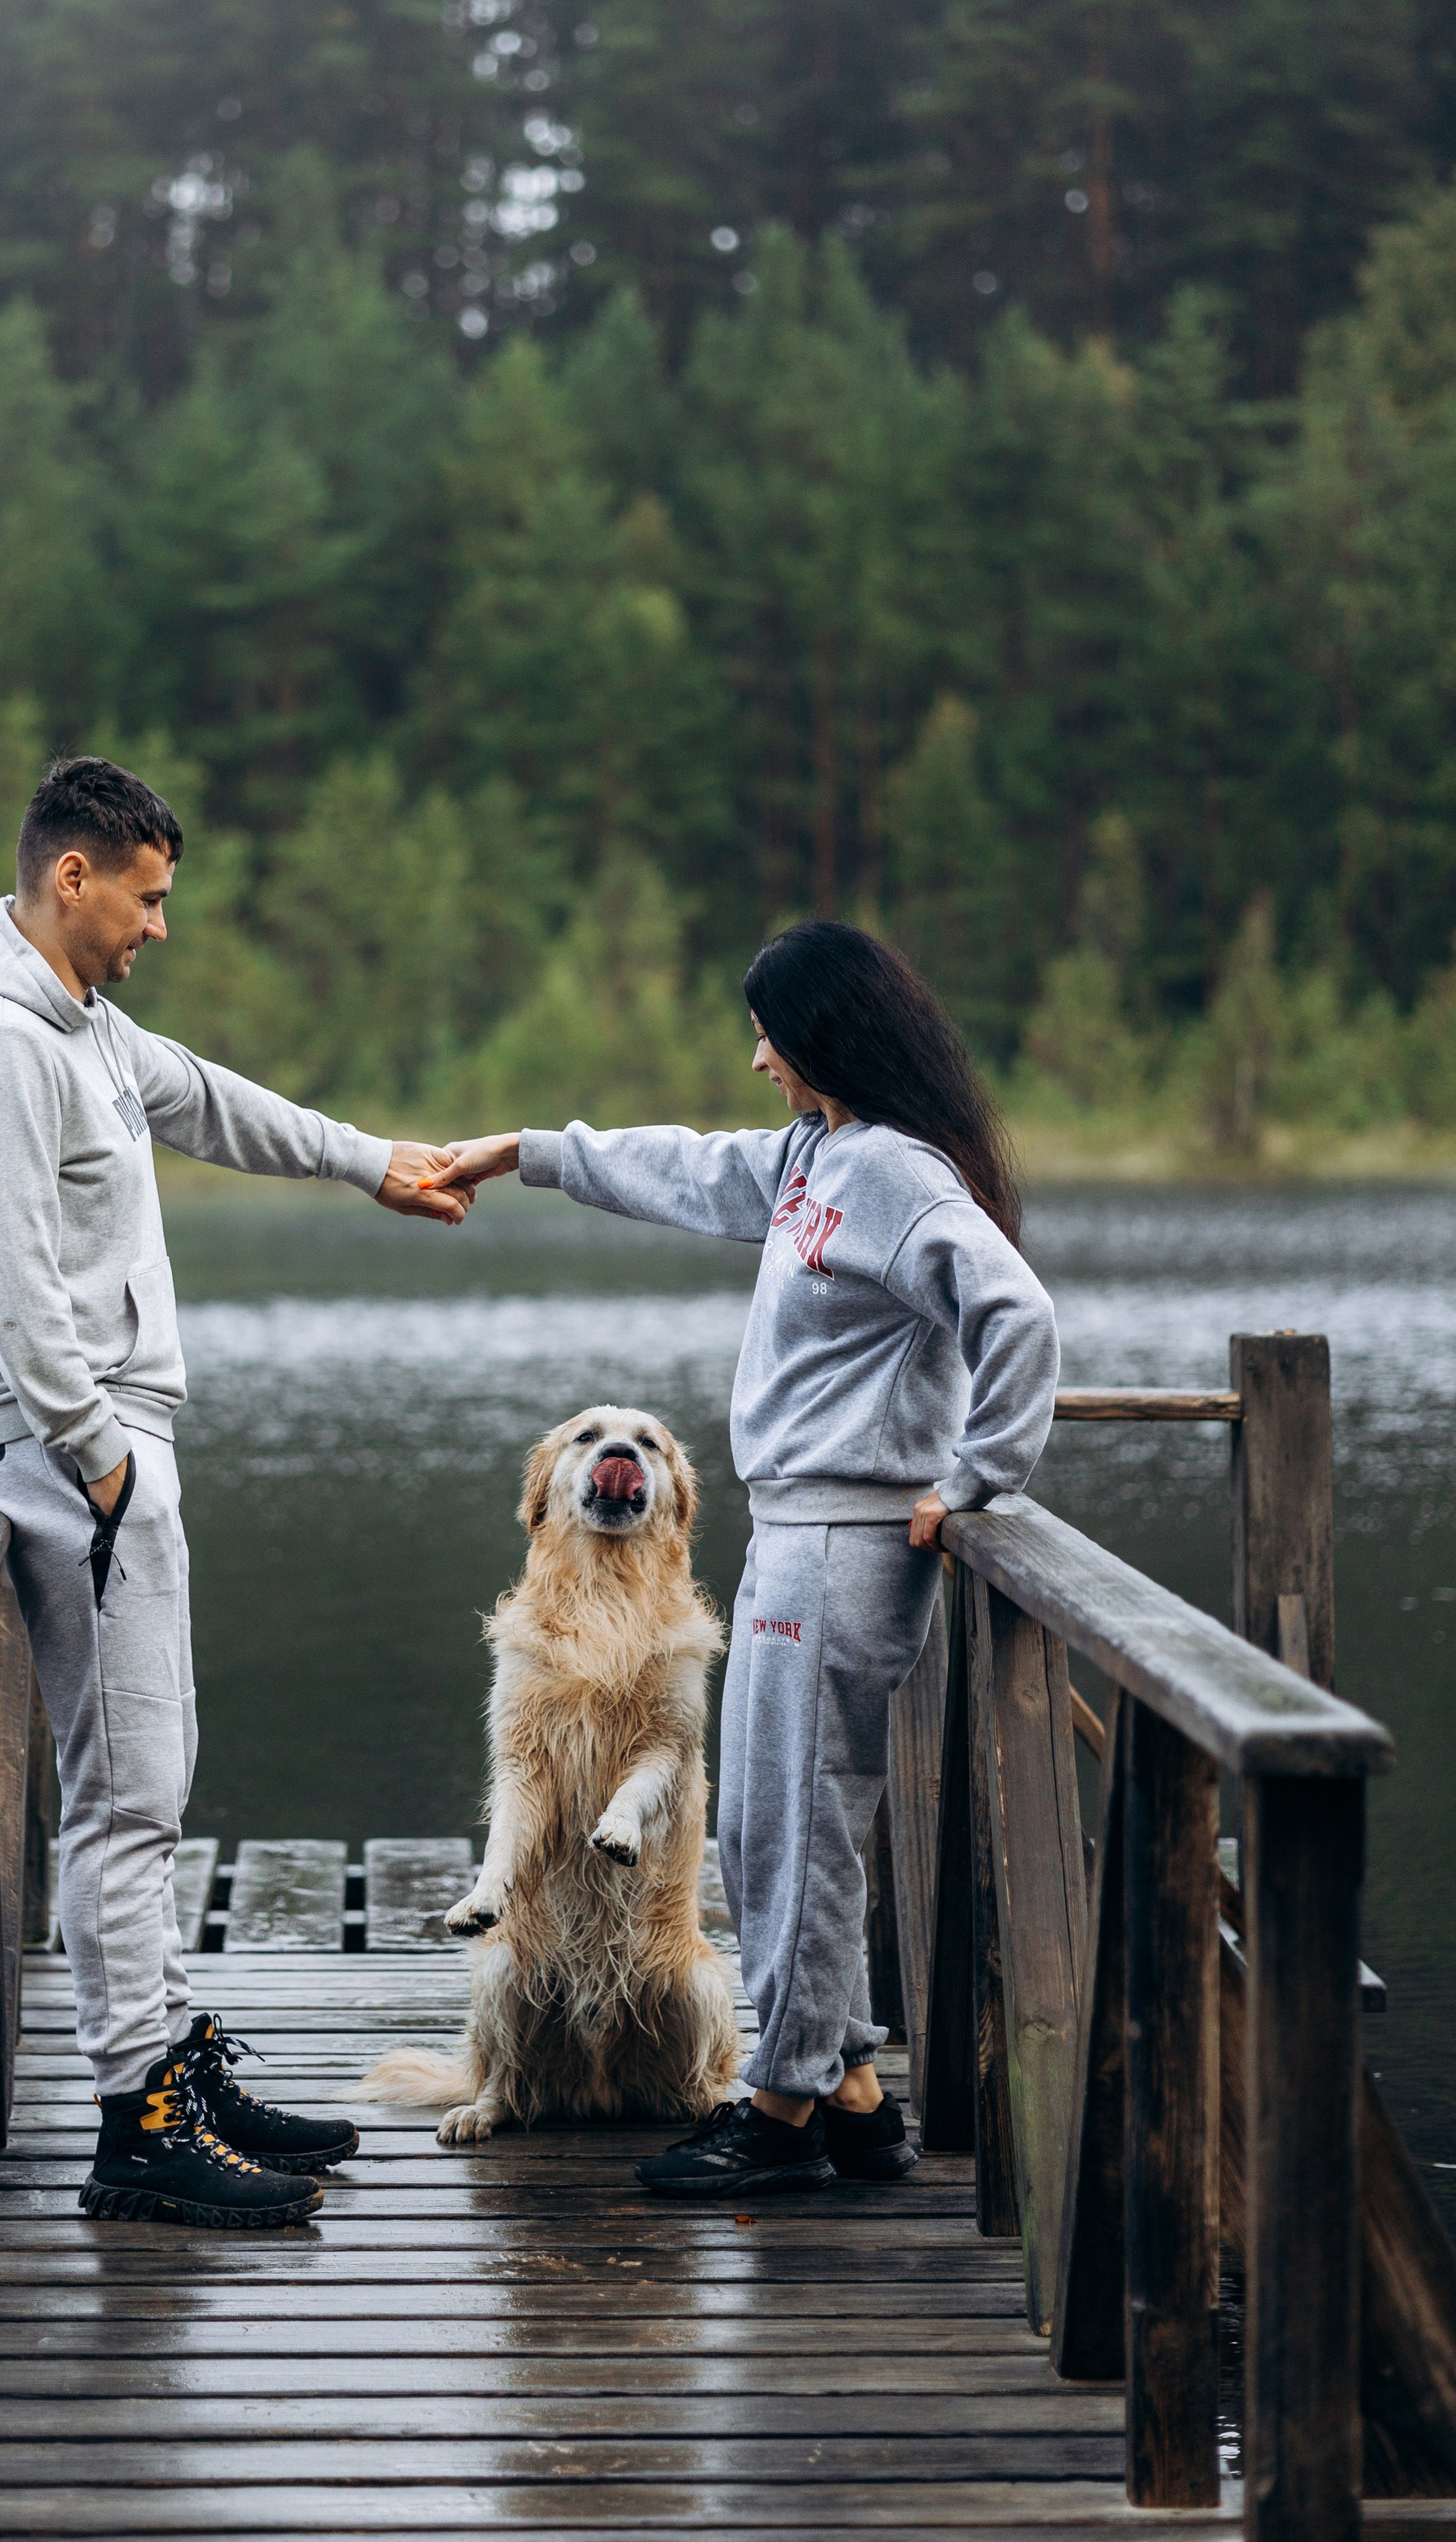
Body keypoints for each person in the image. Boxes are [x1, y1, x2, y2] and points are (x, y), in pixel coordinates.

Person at [0, 755, 470, 2229]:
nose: (162, 927)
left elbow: (213, 1101)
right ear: (73, 877)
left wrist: (375, 1166)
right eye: (148, 899)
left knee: (150, 1783)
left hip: (100, 1459)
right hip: (68, 1463)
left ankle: (169, 2064)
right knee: (124, 1800)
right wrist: (101, 1457)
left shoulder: (81, 1030)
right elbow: (20, 1292)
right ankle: (136, 2120)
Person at [428, 919, 1059, 2199]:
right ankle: (860, 2098)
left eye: (768, 1029)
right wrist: (534, 1153)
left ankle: (779, 2111)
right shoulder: (818, 1156)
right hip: (797, 1532)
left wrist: (976, 1479)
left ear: (821, 1033)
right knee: (784, 1822)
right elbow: (691, 1165)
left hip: (847, 1537)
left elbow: (1017, 1311)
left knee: (794, 1825)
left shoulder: (895, 1173)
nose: (755, 1055)